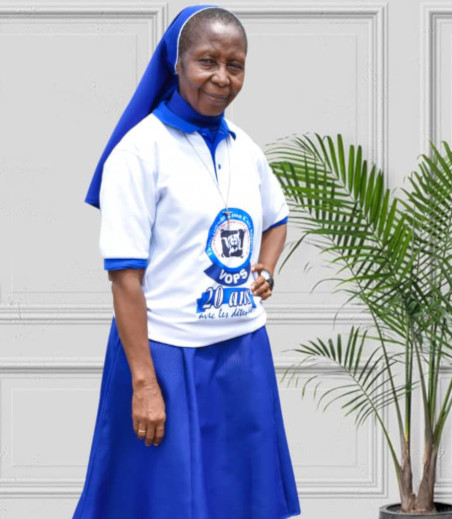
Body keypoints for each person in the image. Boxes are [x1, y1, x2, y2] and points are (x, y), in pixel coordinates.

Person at [72, 5, 301, 519]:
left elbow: (276, 219)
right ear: (176, 64)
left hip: (243, 353)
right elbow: (125, 281)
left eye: (235, 65)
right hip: (167, 356)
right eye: (207, 61)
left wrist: (265, 269)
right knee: (166, 504)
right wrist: (144, 383)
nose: (222, 77)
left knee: (241, 503)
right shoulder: (139, 153)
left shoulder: (245, 149)